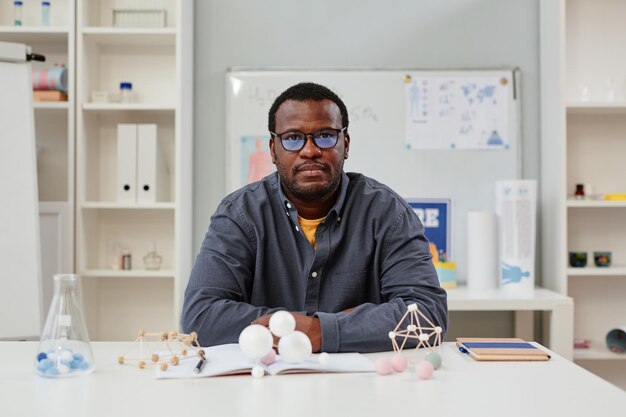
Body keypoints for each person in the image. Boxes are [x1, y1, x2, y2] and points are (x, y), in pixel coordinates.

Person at [182, 82, 448, 353]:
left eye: (325, 135)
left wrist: (321, 330)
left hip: (365, 385)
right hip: (265, 385)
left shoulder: (387, 213)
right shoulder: (240, 215)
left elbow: (427, 315)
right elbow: (201, 317)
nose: (310, 150)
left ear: (345, 144)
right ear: (273, 150)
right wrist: (311, 326)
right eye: (293, 138)